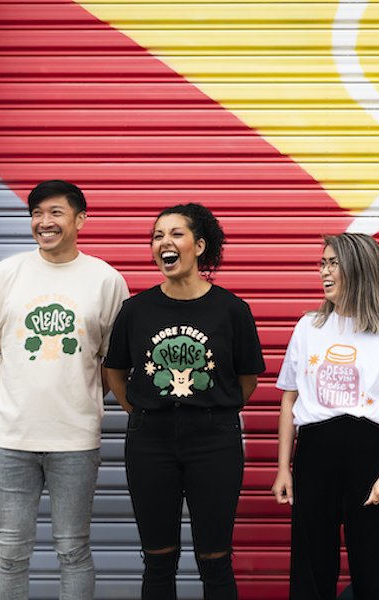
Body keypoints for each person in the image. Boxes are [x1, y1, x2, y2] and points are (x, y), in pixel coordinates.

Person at [0, 180, 129, 600]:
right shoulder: (3, 275)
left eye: (55, 212)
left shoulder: (106, 281)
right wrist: (12, 399)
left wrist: (78, 399)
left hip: (75, 439)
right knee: (11, 551)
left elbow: (113, 363)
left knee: (73, 549)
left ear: (80, 220)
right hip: (12, 438)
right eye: (37, 213)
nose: (44, 221)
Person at [105, 203, 265, 599]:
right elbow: (115, 371)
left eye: (175, 234)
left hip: (214, 440)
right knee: (158, 559)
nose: (164, 243)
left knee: (215, 559)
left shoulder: (232, 310)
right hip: (150, 440)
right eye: (157, 236)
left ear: (199, 245)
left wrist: (212, 409)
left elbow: (247, 380)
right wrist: (142, 411)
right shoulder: (135, 310)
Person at [272, 232, 379, 599]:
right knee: (311, 566)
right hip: (314, 451)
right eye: (322, 263)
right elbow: (288, 400)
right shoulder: (309, 326)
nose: (324, 272)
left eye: (333, 263)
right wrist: (283, 468)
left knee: (372, 567)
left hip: (368, 452)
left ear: (358, 268)